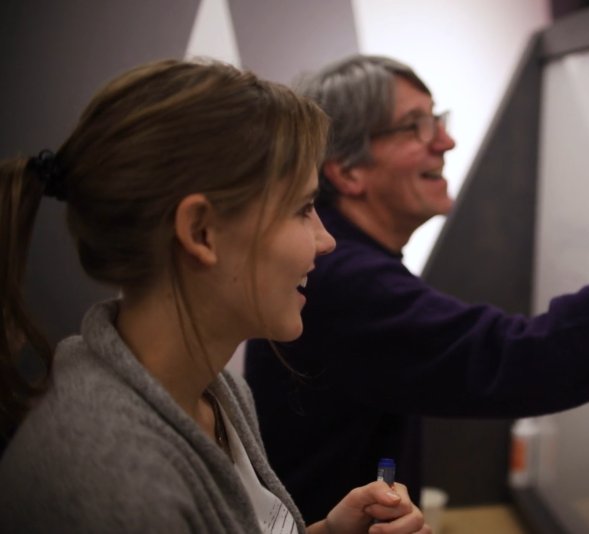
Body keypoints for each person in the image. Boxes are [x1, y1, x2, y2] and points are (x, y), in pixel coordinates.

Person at [244, 54, 589, 522]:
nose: (447, 141)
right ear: (348, 172)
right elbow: (532, 359)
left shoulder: (346, 268)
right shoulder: (345, 280)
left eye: (438, 120)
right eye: (415, 127)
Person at [0, 58, 428, 534]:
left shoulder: (215, 393)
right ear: (201, 232)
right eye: (303, 208)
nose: (326, 241)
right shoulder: (119, 487)